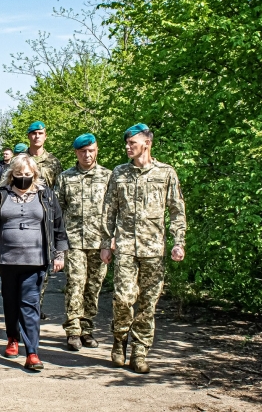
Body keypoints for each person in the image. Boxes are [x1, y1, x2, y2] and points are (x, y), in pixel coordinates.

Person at [101, 123, 186, 373]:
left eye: (132, 143)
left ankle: (140, 351)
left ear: (147, 143)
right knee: (123, 299)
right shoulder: (119, 173)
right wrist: (107, 243)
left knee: (148, 303)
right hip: (125, 246)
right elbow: (109, 210)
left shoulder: (166, 172)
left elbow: (176, 210)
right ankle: (119, 340)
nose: (128, 147)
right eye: (126, 143)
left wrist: (178, 242)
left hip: (153, 249)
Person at [0, 154, 68, 371]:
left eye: (28, 174)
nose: (23, 178)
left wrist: (59, 254)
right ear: (11, 175)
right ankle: (12, 337)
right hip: (7, 259)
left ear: (35, 175)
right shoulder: (1, 195)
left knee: (29, 303)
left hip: (35, 259)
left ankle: (32, 352)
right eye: (18, 174)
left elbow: (58, 226)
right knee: (10, 301)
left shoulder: (46, 195)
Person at [55, 134, 111, 351]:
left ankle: (87, 329)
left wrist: (111, 239)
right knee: (76, 284)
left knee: (94, 286)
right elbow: (57, 211)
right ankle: (73, 331)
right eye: (82, 152)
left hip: (100, 241)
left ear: (96, 150)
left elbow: (114, 210)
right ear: (76, 153)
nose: (87, 155)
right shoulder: (66, 177)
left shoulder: (107, 176)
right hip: (74, 240)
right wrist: (58, 243)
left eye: (91, 150)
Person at [26, 121, 63, 318]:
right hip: (23, 217)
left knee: (44, 263)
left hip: (45, 217)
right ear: (28, 136)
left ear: (45, 136)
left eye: (40, 133)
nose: (37, 136)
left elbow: (59, 191)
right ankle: (28, 304)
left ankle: (36, 303)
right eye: (33, 133)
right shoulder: (20, 159)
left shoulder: (54, 162)